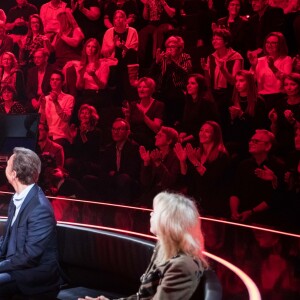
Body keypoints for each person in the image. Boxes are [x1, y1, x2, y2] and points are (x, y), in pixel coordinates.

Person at [78, 191, 207, 300]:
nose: (150, 214)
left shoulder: (183, 266)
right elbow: (142, 297)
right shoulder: (163, 248)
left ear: (167, 221)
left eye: (154, 212)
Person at [0, 147, 61, 298]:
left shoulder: (39, 208)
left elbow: (29, 256)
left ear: (13, 174)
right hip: (14, 265)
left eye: (7, 165)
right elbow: (6, 241)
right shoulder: (17, 199)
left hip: (33, 274)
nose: (4, 167)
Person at [174, 121, 230, 217]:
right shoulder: (197, 153)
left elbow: (212, 179)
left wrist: (195, 161)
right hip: (196, 205)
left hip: (213, 206)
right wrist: (182, 161)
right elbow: (186, 179)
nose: (202, 133)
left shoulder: (221, 155)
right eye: (201, 130)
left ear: (215, 135)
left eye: (207, 131)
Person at [229, 129, 285, 224]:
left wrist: (251, 212)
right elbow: (235, 191)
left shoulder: (278, 166)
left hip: (267, 220)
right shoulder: (243, 165)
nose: (251, 143)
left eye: (256, 141)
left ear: (268, 146)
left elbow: (275, 198)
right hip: (242, 216)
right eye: (251, 140)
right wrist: (234, 212)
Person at [82, 118, 141, 203]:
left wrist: (115, 174)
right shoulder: (109, 148)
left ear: (128, 132)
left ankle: (122, 211)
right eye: (113, 129)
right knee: (87, 179)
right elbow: (104, 169)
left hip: (127, 182)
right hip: (111, 179)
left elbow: (132, 171)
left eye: (119, 129)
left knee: (123, 178)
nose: (115, 132)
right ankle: (97, 211)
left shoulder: (134, 147)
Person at [201, 28, 243, 130]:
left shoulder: (235, 57)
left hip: (229, 94)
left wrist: (223, 69)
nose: (214, 41)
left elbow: (234, 81)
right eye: (213, 39)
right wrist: (205, 70)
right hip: (215, 94)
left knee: (226, 122)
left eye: (218, 39)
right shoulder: (211, 57)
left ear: (226, 41)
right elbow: (208, 82)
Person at [150, 35, 192, 126]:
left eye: (172, 47)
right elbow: (152, 74)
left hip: (178, 90)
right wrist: (156, 62)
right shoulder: (163, 57)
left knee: (174, 97)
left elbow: (185, 72)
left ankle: (176, 123)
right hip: (162, 89)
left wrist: (171, 62)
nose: (169, 49)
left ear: (180, 48)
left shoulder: (185, 57)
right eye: (168, 47)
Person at [226, 70, 269, 159]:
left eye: (241, 81)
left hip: (251, 139)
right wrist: (232, 119)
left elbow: (260, 126)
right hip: (235, 138)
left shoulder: (258, 102)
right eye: (236, 81)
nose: (237, 84)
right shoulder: (232, 100)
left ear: (249, 83)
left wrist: (241, 115)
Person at [248, 32, 292, 112]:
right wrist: (253, 66)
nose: (269, 45)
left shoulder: (287, 59)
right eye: (267, 42)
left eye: (273, 43)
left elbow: (286, 79)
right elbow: (251, 81)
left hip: (279, 97)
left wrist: (272, 67)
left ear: (280, 45)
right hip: (262, 98)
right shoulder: (259, 60)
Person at [101, 9, 139, 100]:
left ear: (125, 19)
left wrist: (123, 47)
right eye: (116, 18)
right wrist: (114, 45)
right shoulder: (109, 32)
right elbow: (104, 52)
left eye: (121, 17)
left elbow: (134, 49)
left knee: (127, 86)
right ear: (113, 20)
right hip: (113, 64)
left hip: (128, 63)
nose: (118, 19)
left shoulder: (132, 31)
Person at [139, 126, 180, 206]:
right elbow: (145, 182)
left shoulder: (176, 157)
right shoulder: (154, 154)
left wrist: (158, 163)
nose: (155, 136)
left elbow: (169, 182)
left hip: (168, 196)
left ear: (169, 141)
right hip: (152, 194)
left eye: (160, 135)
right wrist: (146, 163)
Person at [39, 70, 75, 157]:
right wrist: (43, 107)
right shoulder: (46, 99)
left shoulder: (69, 98)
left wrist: (55, 102)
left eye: (57, 79)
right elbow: (42, 121)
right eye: (52, 79)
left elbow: (66, 118)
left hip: (61, 136)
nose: (54, 82)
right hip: (48, 136)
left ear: (62, 82)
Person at [122, 77, 164, 149]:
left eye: (145, 87)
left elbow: (156, 129)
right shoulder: (133, 104)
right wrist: (127, 116)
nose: (141, 90)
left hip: (150, 141)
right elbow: (126, 128)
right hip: (134, 141)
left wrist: (144, 116)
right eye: (139, 87)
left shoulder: (158, 105)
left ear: (151, 89)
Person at [178, 73, 219, 145]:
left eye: (193, 83)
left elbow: (203, 127)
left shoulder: (206, 102)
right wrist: (182, 134)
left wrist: (184, 139)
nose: (188, 86)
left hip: (202, 138)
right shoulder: (189, 101)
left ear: (200, 86)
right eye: (188, 83)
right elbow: (185, 124)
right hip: (190, 136)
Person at [269, 73, 300, 158]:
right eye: (286, 85)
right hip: (281, 142)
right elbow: (275, 130)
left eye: (293, 84)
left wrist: (293, 121)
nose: (289, 88)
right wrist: (273, 122)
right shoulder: (281, 103)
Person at [26, 48, 55, 112]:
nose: (36, 60)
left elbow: (53, 89)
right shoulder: (31, 71)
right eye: (35, 58)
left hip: (48, 98)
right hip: (34, 98)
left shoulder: (53, 70)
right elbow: (28, 89)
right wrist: (33, 99)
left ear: (46, 58)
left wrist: (42, 99)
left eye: (39, 57)